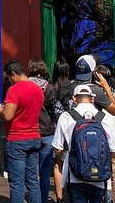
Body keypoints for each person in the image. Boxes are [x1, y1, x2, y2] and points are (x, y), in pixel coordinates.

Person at [53, 85, 115, 203]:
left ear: (74, 99)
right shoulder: (104, 118)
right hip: (101, 178)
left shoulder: (66, 117)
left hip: (74, 177)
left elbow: (57, 149)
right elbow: (114, 150)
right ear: (92, 99)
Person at [0, 60, 44, 203]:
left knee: (17, 183)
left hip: (17, 138)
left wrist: (0, 111)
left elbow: (8, 115)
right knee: (33, 181)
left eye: (8, 78)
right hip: (34, 136)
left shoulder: (14, 89)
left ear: (13, 74)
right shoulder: (37, 89)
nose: (8, 81)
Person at [27, 58, 56, 203]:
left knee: (31, 171)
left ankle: (33, 198)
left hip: (31, 130)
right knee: (44, 172)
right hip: (47, 131)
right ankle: (43, 199)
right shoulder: (49, 88)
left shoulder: (24, 85)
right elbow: (53, 111)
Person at [94, 64, 115, 203]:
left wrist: (105, 88)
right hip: (111, 139)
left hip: (106, 139)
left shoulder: (98, 94)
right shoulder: (110, 93)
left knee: (112, 175)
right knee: (113, 175)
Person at [51, 59, 70, 203]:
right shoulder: (71, 87)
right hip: (70, 130)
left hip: (56, 130)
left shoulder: (51, 88)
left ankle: (59, 197)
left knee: (58, 164)